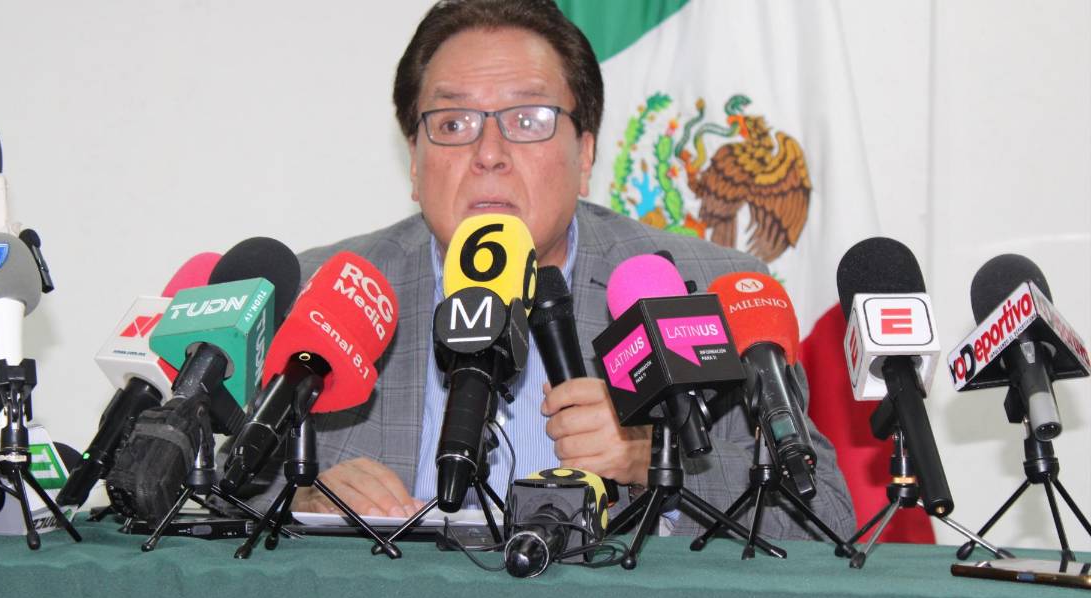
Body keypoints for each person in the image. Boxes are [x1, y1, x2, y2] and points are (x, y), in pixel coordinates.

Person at [265, 0, 854, 538]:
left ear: (586, 155)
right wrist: (300, 498)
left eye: (528, 120)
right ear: (415, 165)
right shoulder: (321, 297)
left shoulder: (703, 292)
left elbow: (823, 516)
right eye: (453, 124)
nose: (488, 154)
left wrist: (652, 460)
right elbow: (225, 492)